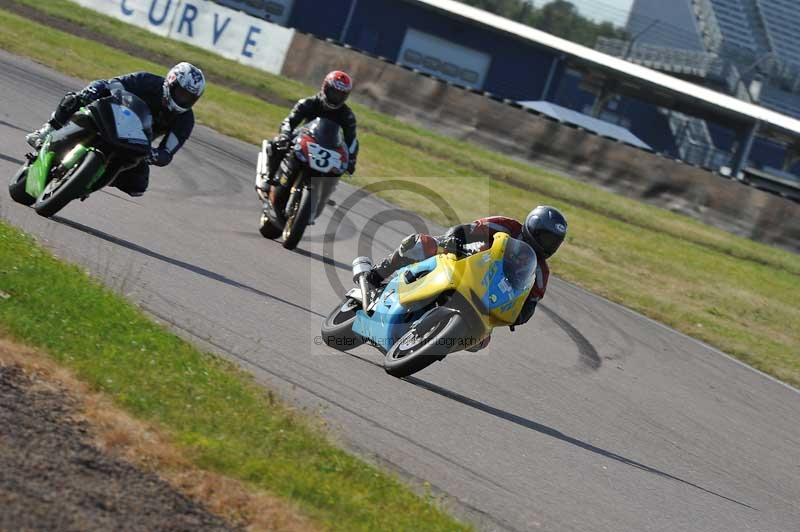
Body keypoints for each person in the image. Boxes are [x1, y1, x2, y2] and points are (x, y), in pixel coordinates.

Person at [367, 206, 568, 350]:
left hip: (489, 296)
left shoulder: (541, 272)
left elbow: (529, 307)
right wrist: (455, 239)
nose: (547, 244)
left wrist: (517, 316)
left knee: (482, 341)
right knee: (420, 244)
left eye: (553, 242)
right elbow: (466, 229)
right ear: (533, 226)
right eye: (544, 237)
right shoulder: (506, 226)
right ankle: (379, 273)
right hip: (465, 259)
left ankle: (429, 346)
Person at [26, 62, 206, 197]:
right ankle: (48, 130)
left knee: (138, 186)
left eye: (189, 97)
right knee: (78, 97)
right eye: (181, 93)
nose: (183, 100)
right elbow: (114, 83)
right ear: (171, 82)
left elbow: (167, 152)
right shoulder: (147, 80)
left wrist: (154, 155)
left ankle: (91, 179)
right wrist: (96, 91)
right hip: (111, 117)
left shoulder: (185, 119)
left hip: (134, 142)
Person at [258, 70, 358, 189]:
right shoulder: (308, 103)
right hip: (303, 137)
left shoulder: (347, 115)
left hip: (329, 147)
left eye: (340, 95)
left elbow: (352, 140)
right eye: (333, 92)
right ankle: (269, 178)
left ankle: (324, 192)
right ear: (325, 88)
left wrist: (351, 159)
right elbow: (289, 121)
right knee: (276, 144)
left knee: (339, 169)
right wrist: (285, 134)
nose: (336, 97)